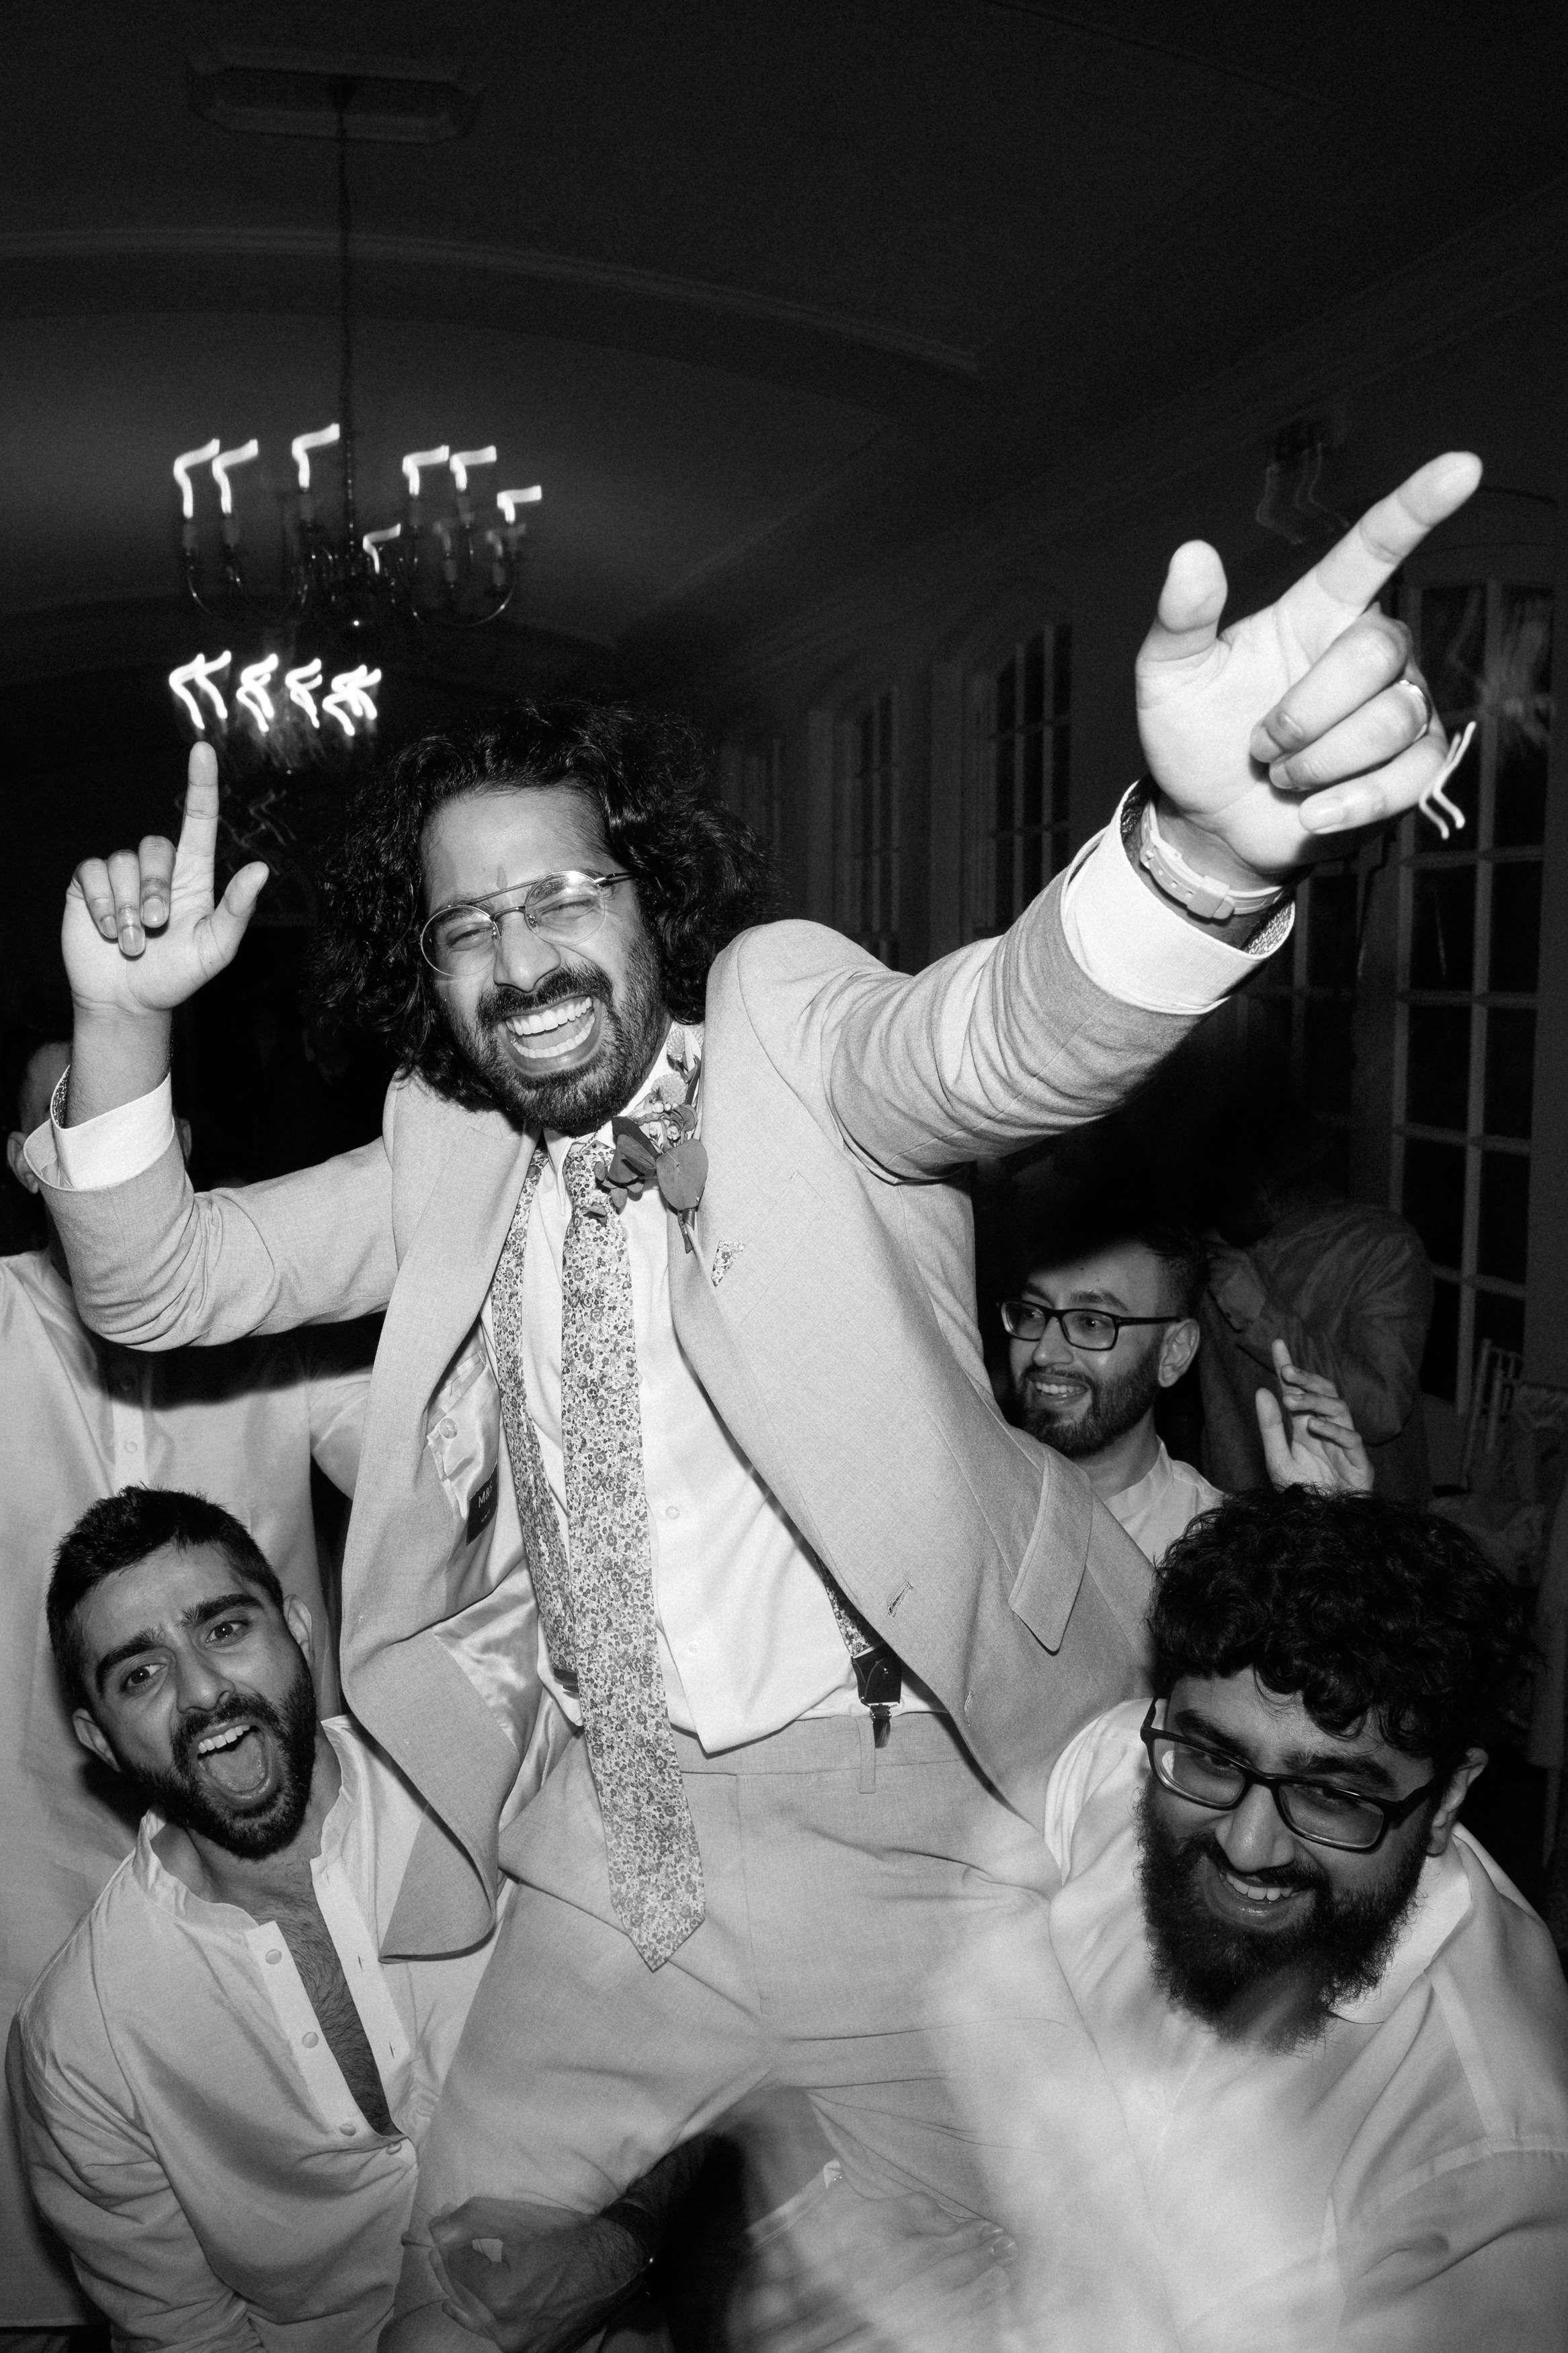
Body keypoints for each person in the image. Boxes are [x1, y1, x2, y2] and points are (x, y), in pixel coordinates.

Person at [27, 454, 1482, 2348]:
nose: (519, 956)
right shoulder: (446, 1148)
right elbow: (156, 1281)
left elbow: (990, 1042)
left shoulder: (791, 1037)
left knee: (998, 2314)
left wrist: (1199, 860)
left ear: (649, 897)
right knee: (447, 2314)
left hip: (897, 1823)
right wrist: (122, 1016)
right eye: (465, 927)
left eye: (561, 894)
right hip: (595, 1842)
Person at [0, 1041, 378, 2350]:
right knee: (90, 2201)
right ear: (27, 1162)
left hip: (297, 1827)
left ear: (177, 1146)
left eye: (126, 1117)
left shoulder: (273, 1304)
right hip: (40, 1863)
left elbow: (428, 1476)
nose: (94, 1142)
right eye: (65, 1121)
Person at [7, 1488, 543, 2353]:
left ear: (298, 1628)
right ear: (99, 1739)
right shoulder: (78, 2044)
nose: (203, 1690)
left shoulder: (485, 1781)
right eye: (141, 1674)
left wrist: (621, 2247)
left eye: (225, 1629)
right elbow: (183, 2333)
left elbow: (673, 2041)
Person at [1038, 1486, 1568, 2350]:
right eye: (1215, 1759)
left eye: (1329, 1795)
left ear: (1446, 1800)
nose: (1246, 1845)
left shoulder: (1484, 2165)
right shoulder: (1125, 1771)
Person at [1002, 1207, 1371, 1560]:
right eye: (1033, 1313)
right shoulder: (975, 1499)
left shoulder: (1219, 1552)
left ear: (1173, 1353)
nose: (1044, 1353)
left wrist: (1325, 1547)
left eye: (1091, 1323)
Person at [1196, 1080, 1434, 1502]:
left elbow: (1383, 1410)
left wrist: (1262, 1315)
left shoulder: (1382, 1247)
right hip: (1243, 1515)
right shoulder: (1215, 1250)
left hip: (1363, 1521)